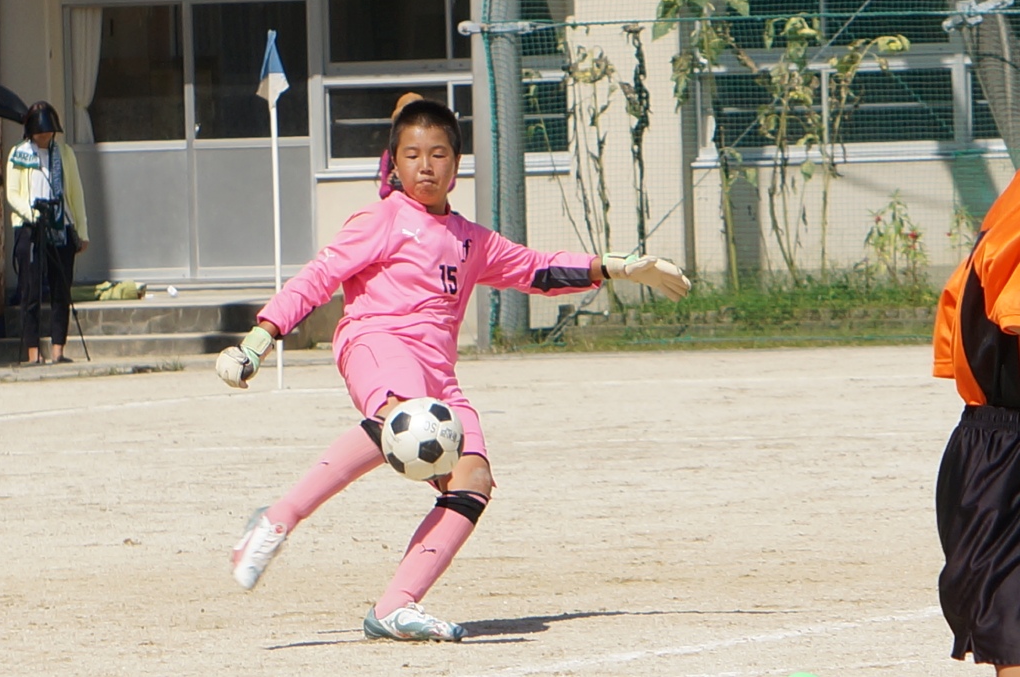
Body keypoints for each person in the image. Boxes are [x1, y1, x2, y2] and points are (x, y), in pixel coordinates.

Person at [216, 97, 691, 642]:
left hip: (438, 374)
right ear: (394, 163)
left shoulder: (471, 239)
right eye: (412, 154)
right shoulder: (381, 218)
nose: (425, 166)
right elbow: (317, 279)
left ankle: (395, 607)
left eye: (438, 154)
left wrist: (614, 267)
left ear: (457, 163)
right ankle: (277, 519)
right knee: (403, 417)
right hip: (377, 342)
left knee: (474, 479)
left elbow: (536, 269)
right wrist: (258, 342)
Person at [933, 170, 1020, 676]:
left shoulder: (1007, 213)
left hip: (996, 442)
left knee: (1007, 614)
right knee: (1006, 614)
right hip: (1000, 439)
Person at [5, 101, 89, 365]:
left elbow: (75, 192)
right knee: (30, 290)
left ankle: (58, 350)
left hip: (60, 226)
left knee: (60, 290)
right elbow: (12, 193)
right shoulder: (19, 153)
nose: (45, 136)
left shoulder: (64, 153)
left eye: (49, 131)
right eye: (40, 132)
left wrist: (82, 230)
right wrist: (31, 214)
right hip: (29, 228)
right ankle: (33, 352)